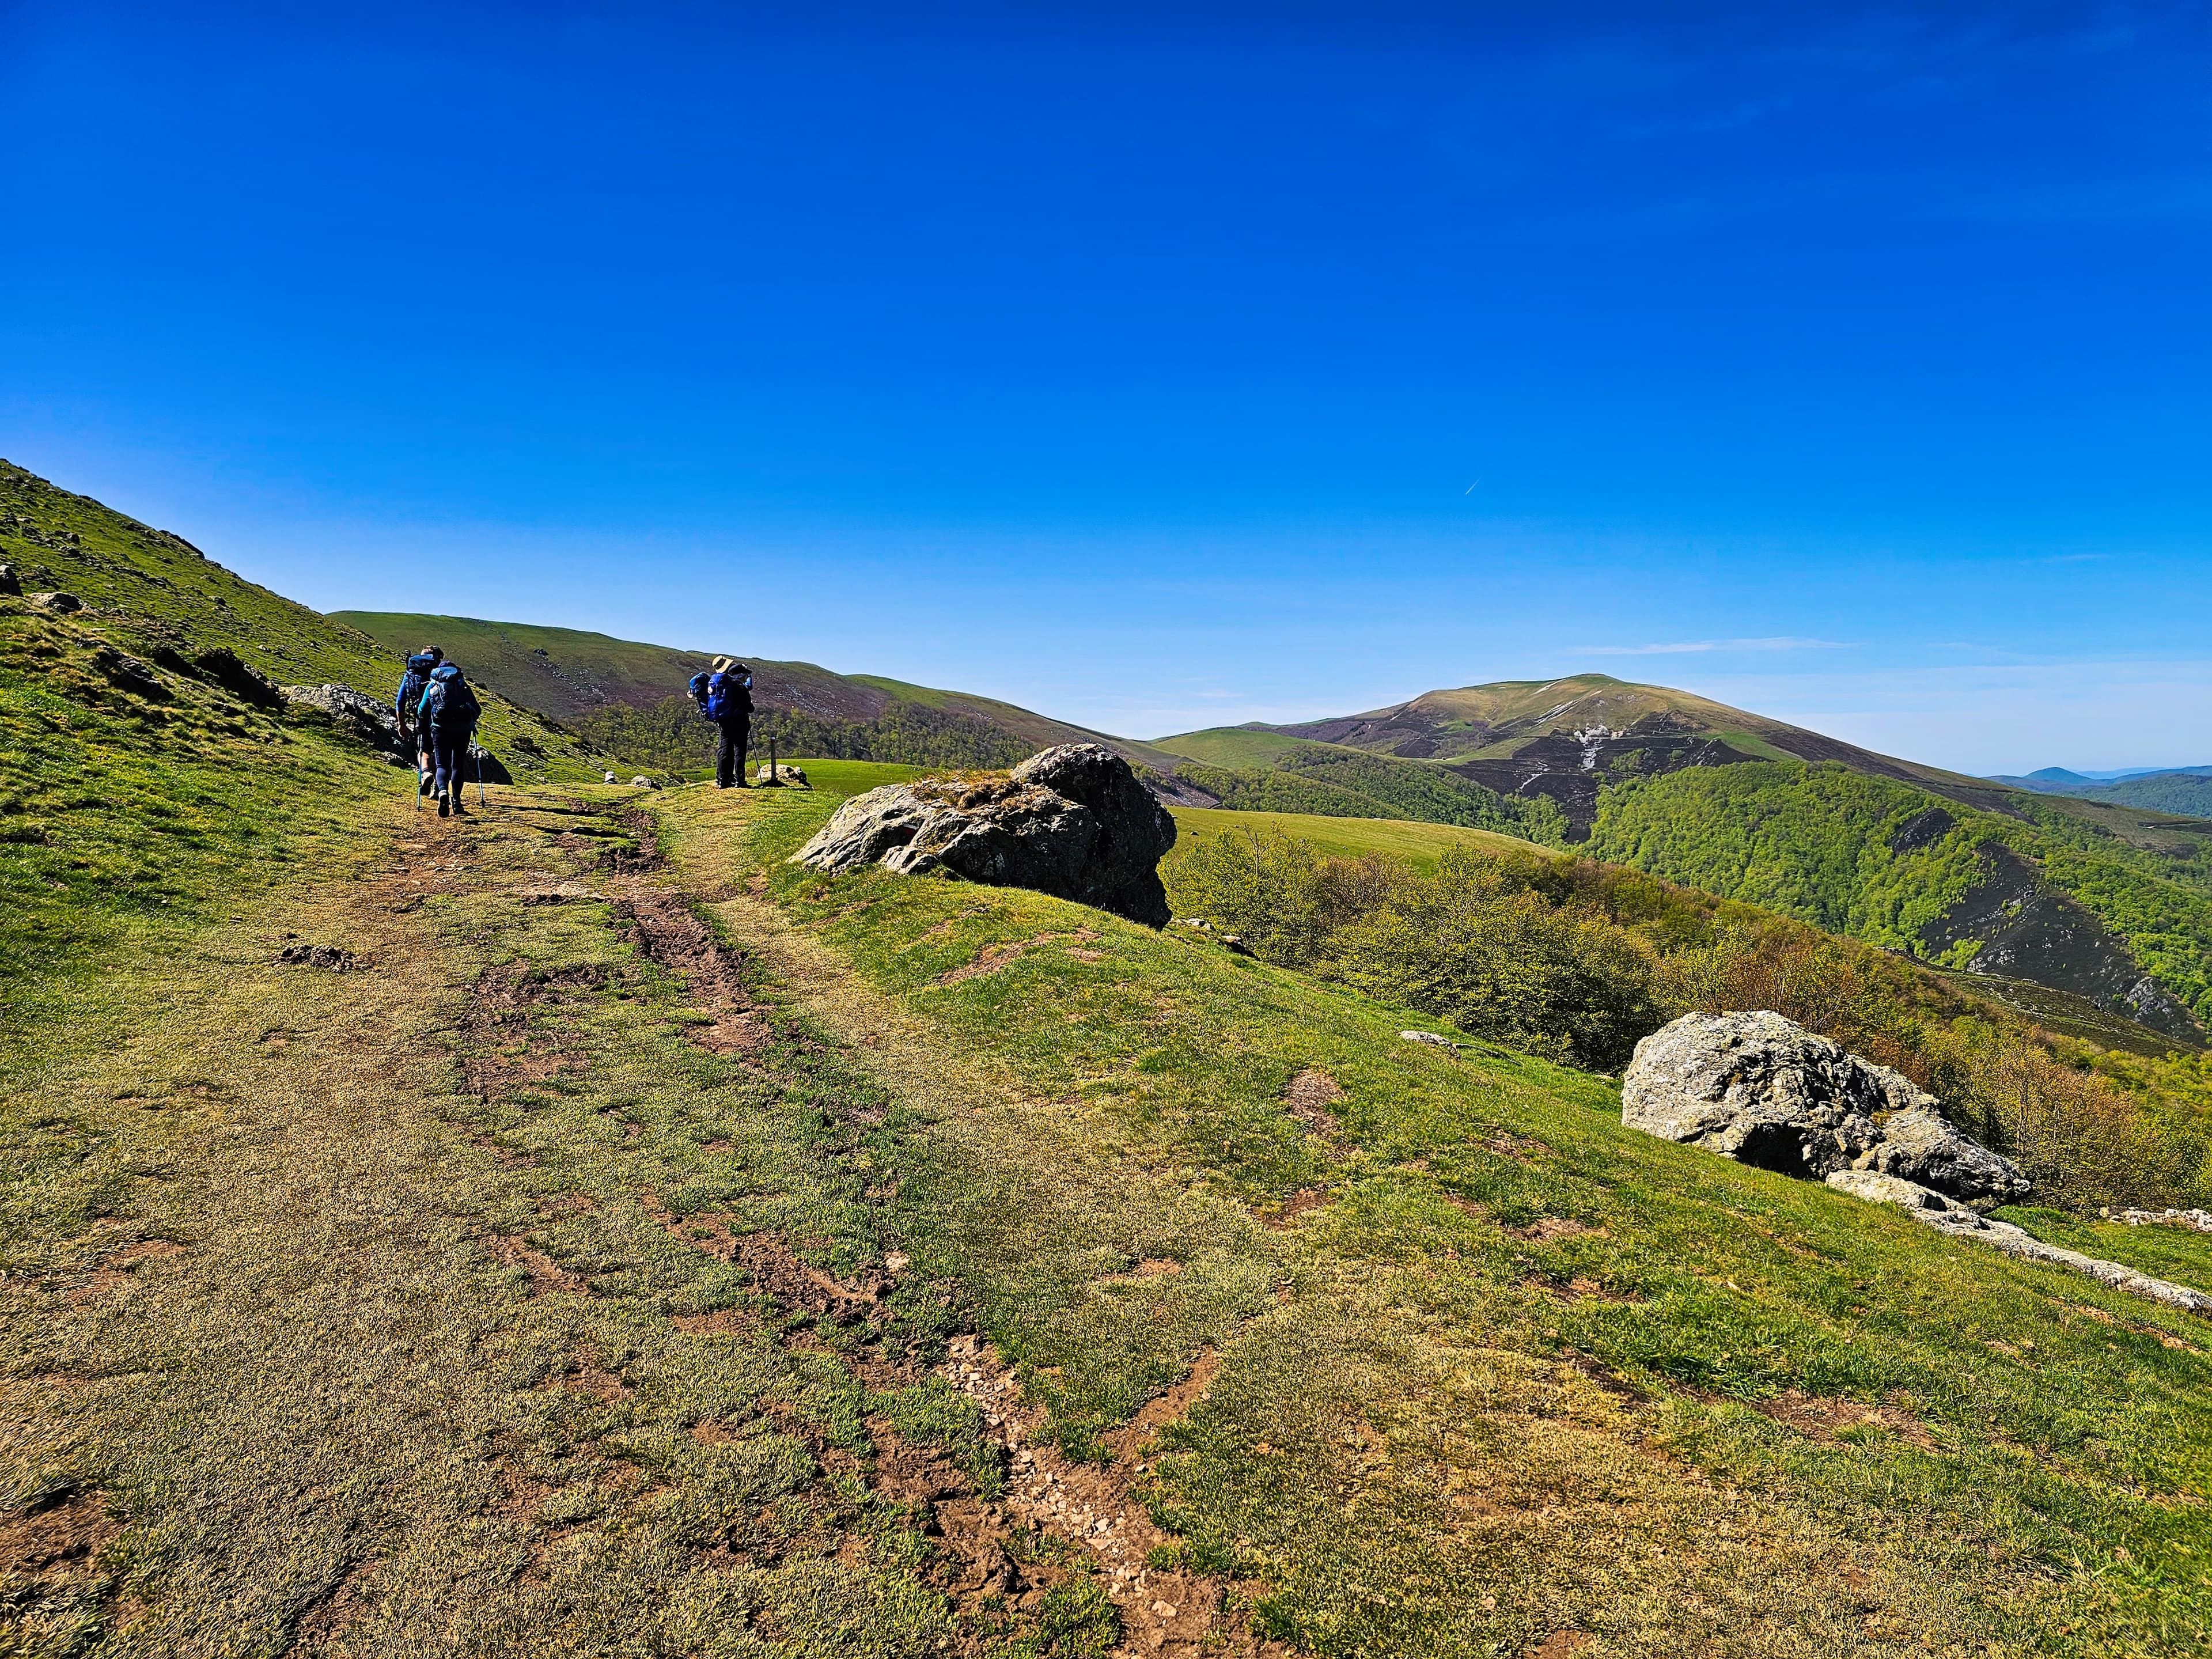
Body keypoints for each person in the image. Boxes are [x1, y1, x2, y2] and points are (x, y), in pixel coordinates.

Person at [415, 660, 482, 817]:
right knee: (458, 765)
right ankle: (457, 802)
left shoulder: (432, 685)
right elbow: (477, 710)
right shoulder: (462, 685)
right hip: (463, 730)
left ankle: (443, 791)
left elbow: (422, 709)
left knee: (442, 765)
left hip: (440, 730)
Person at [688, 656, 754, 788]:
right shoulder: (736, 684)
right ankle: (740, 781)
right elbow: (750, 708)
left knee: (724, 749)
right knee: (739, 751)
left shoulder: (714, 684)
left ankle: (722, 780)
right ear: (728, 667)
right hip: (740, 722)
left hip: (723, 721)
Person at [395, 646, 443, 796]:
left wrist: (401, 724)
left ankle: (426, 772)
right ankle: (439, 788)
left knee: (424, 750)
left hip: (420, 716)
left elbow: (400, 700)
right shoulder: (440, 671)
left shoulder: (411, 672)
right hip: (442, 717)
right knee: (442, 753)